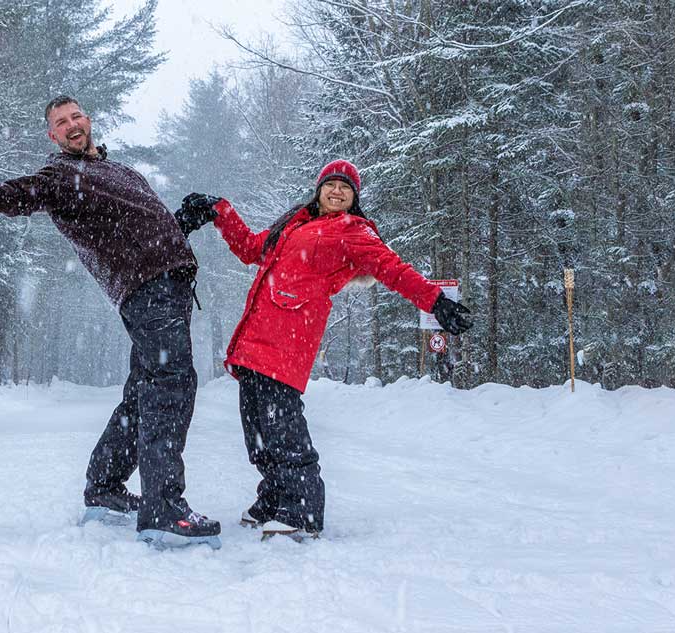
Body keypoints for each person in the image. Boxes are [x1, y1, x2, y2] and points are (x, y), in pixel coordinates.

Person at [0, 95, 221, 550]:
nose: (71, 124)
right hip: (146, 288)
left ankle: (106, 487)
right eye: (60, 122)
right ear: (52, 135)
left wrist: (182, 223)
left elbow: (144, 229)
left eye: (75, 116)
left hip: (165, 285)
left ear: (88, 121)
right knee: (171, 385)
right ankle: (164, 509)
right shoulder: (59, 176)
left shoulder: (120, 172)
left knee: (144, 392)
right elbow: (15, 195)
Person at [176, 159, 473, 541]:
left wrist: (435, 301)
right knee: (258, 430)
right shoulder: (295, 225)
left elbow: (393, 269)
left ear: (353, 198)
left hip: (289, 338)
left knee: (282, 427)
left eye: (345, 188)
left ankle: (302, 509)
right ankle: (274, 495)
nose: (336, 192)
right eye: (330, 185)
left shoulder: (353, 231)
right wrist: (220, 211)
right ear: (319, 189)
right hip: (254, 336)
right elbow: (251, 249)